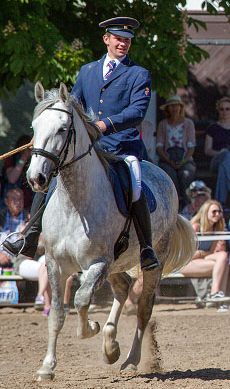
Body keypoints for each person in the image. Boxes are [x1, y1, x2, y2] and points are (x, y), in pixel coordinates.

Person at [3, 17, 158, 270]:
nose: (124, 44)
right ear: (106, 39)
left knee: (134, 181)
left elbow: (137, 112)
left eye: (127, 40)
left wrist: (104, 124)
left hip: (121, 146)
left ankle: (147, 248)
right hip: (87, 147)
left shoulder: (138, 74)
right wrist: (45, 132)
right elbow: (71, 106)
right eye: (119, 39)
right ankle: (29, 238)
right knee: (52, 180)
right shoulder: (87, 71)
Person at [180, 199, 230, 309]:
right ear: (206, 212)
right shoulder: (196, 227)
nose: (217, 214)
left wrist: (201, 253)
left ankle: (217, 297)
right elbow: (188, 254)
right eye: (214, 212)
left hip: (202, 260)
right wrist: (200, 254)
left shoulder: (217, 229)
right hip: (185, 264)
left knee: (223, 256)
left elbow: (210, 252)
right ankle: (215, 295)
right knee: (223, 265)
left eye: (219, 212)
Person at [156, 94, 197, 207]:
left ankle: (186, 202)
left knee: (186, 174)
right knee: (169, 174)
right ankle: (175, 201)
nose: (174, 108)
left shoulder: (188, 123)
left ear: (180, 107)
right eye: (171, 106)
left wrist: (183, 161)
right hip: (167, 157)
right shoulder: (163, 124)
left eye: (177, 106)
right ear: (167, 108)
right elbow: (159, 147)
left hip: (184, 157)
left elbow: (191, 146)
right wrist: (169, 161)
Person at [2, 134, 33, 209]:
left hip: (29, 204)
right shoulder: (12, 159)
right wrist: (24, 158)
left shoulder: (35, 160)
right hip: (9, 206)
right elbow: (12, 179)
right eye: (27, 148)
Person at [0, 188, 27, 270]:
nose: (18, 202)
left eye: (20, 199)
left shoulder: (29, 218)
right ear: (6, 201)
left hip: (19, 259)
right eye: (14, 199)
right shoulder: (1, 217)